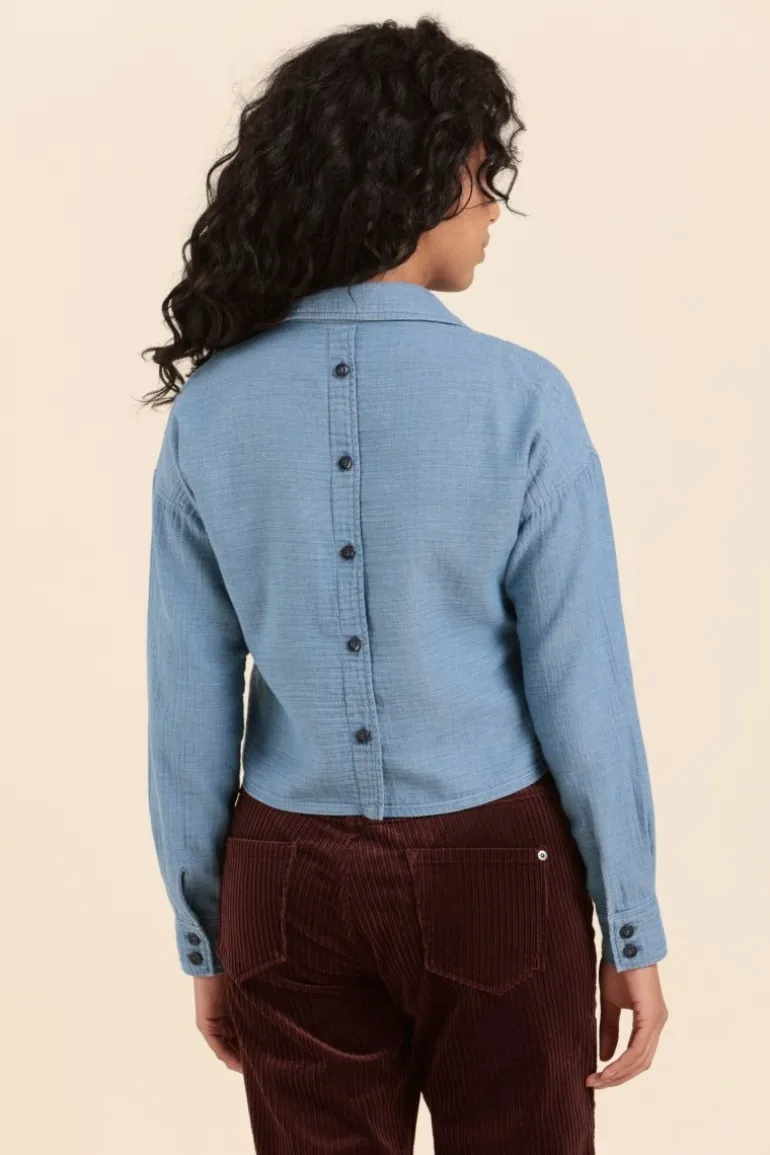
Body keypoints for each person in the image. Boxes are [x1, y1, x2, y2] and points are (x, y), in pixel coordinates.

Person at [139, 15, 669, 1154]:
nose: (493, 211)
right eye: (487, 175)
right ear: (433, 171)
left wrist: (208, 936)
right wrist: (629, 923)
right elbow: (582, 687)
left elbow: (186, 708)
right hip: (499, 872)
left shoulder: (212, 410)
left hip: (283, 887)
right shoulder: (522, 398)